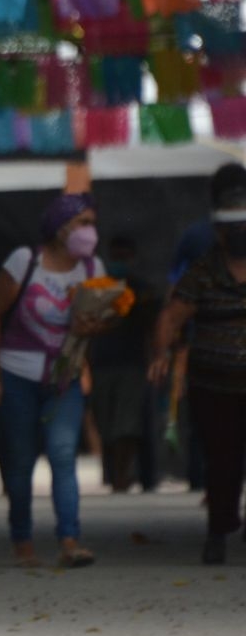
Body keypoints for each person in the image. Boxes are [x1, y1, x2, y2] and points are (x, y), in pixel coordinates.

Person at [0, 193, 107, 568]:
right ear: (60, 226)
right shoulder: (25, 261)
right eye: (82, 222)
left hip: (64, 376)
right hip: (16, 373)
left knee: (63, 454)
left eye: (92, 223)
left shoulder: (92, 268)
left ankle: (70, 540)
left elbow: (102, 320)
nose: (89, 231)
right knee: (20, 461)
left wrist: (94, 327)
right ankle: (22, 540)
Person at [150, 181, 246, 564]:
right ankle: (218, 532)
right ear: (220, 233)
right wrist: (161, 353)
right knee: (222, 459)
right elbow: (172, 315)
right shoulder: (204, 271)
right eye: (233, 228)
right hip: (214, 383)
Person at [89, 236, 157, 494]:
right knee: (105, 423)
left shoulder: (142, 290)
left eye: (124, 256)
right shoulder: (97, 288)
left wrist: (155, 361)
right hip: (102, 363)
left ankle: (121, 476)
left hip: (132, 364)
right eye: (115, 256)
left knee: (126, 425)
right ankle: (113, 474)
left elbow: (153, 327)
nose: (119, 261)